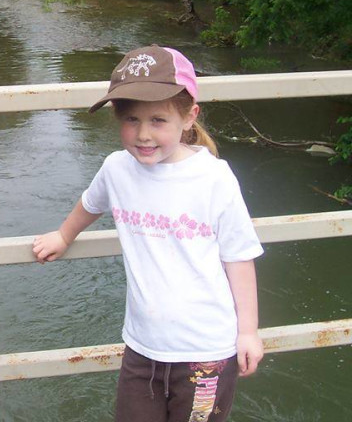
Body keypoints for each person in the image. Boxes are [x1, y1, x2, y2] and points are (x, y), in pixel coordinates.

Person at [32, 46, 264, 422]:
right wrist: (63, 235)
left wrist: (248, 332)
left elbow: (238, 256)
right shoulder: (116, 168)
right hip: (142, 351)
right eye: (131, 119)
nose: (143, 134)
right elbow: (91, 203)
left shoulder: (214, 178)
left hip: (207, 354)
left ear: (189, 117)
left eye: (158, 120)